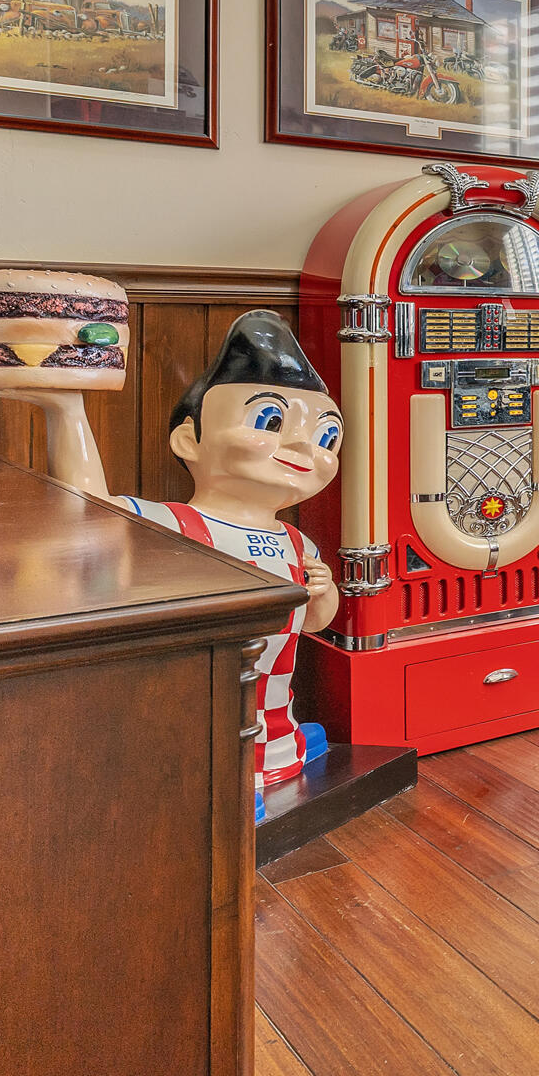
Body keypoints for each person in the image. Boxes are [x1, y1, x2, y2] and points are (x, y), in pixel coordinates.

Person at [117, 312, 342, 789]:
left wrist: (322, 591)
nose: (305, 445)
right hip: (201, 720)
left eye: (328, 436)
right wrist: (67, 407)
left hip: (280, 720)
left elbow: (316, 622)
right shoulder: (175, 524)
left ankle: (281, 743)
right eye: (270, 419)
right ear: (188, 440)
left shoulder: (298, 542)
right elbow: (86, 510)